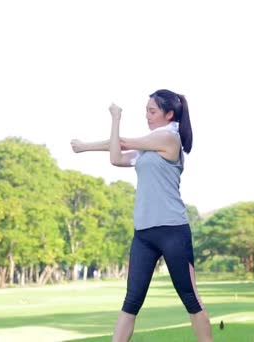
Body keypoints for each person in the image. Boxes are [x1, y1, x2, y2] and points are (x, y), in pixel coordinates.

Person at [70, 89, 212, 342]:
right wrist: (85, 147)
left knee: (190, 298)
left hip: (172, 230)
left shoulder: (170, 139)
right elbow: (116, 156)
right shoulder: (147, 147)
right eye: (146, 110)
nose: (147, 115)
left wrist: (114, 119)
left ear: (169, 114)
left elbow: (124, 142)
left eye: (152, 111)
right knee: (131, 301)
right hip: (144, 233)